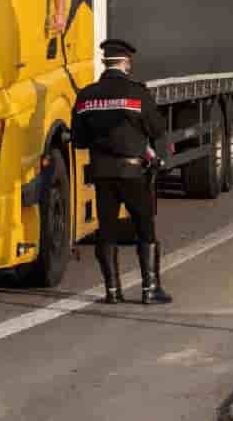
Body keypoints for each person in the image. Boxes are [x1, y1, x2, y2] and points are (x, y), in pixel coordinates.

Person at [71, 39, 172, 305]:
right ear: (126, 63)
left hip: (102, 172)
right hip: (133, 173)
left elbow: (79, 140)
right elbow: (157, 129)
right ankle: (150, 289)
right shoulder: (137, 94)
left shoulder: (86, 95)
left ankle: (112, 291)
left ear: (105, 62)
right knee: (144, 227)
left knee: (106, 230)